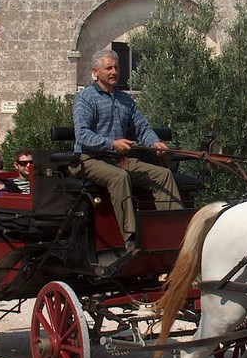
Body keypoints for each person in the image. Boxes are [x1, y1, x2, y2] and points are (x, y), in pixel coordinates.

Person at [71, 49, 182, 250]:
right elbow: (83, 135)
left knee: (164, 174)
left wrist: (155, 143)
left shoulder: (125, 99)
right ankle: (131, 238)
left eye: (117, 67)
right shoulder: (85, 98)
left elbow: (142, 128)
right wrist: (112, 144)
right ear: (96, 72)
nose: (114, 71)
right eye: (109, 68)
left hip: (120, 159)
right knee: (119, 177)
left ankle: (175, 233)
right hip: (89, 159)